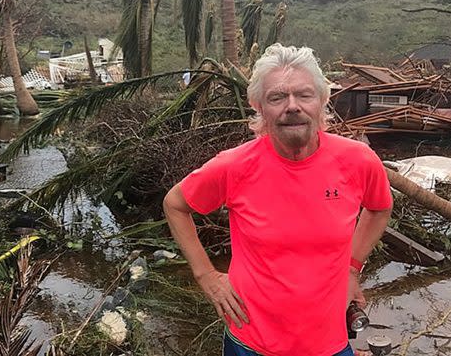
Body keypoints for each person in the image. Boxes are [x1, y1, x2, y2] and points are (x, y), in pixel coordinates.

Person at [163, 44, 393, 356]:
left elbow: (380, 208)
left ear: (322, 100)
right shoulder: (234, 166)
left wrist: (352, 269)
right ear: (259, 106)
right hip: (252, 341)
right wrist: (207, 276)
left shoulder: (358, 161)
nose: (292, 106)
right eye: (277, 97)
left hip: (329, 340)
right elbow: (175, 204)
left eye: (304, 95)